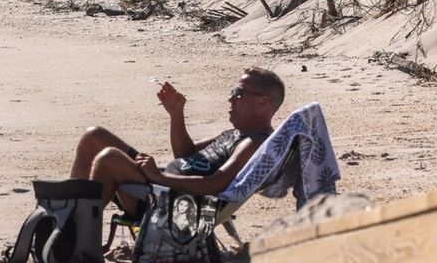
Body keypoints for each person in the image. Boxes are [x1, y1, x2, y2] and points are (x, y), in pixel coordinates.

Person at [69, 68, 284, 221]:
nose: (230, 99)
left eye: (238, 93)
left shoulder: (253, 143)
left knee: (109, 159)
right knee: (94, 136)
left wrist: (159, 177)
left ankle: (83, 238)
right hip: (163, 185)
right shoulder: (236, 134)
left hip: (172, 203)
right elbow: (186, 154)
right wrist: (176, 114)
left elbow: (216, 184)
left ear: (263, 102)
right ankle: (69, 214)